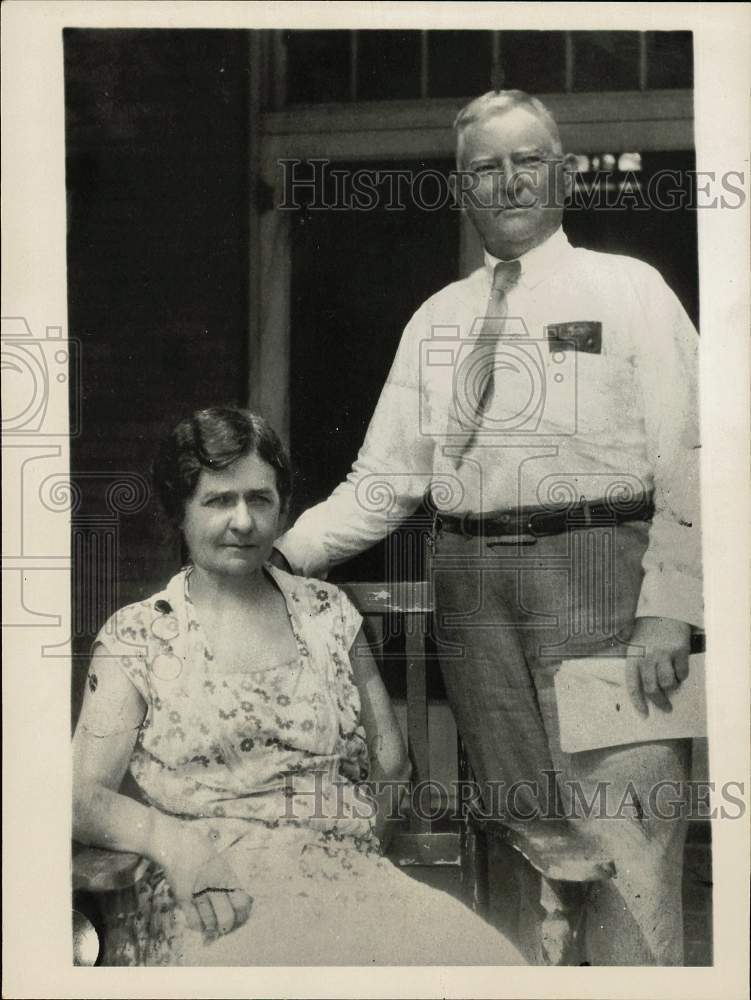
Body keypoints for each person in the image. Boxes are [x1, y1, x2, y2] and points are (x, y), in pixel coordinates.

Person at [273, 91, 702, 965]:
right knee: (517, 837)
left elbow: (696, 460)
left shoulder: (629, 290)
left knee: (621, 846)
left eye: (526, 160)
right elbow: (385, 480)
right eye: (484, 167)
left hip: (600, 580)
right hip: (471, 591)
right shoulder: (436, 318)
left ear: (565, 171)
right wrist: (273, 557)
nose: (506, 182)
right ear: (461, 187)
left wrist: (671, 607)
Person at [72, 406, 524, 966]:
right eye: (218, 500)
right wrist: (176, 845)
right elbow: (78, 797)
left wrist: (343, 856)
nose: (243, 521)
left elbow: (391, 762)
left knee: (482, 959)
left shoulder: (326, 613)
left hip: (345, 877)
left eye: (259, 499)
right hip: (209, 890)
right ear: (179, 514)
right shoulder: (140, 635)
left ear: (282, 507)